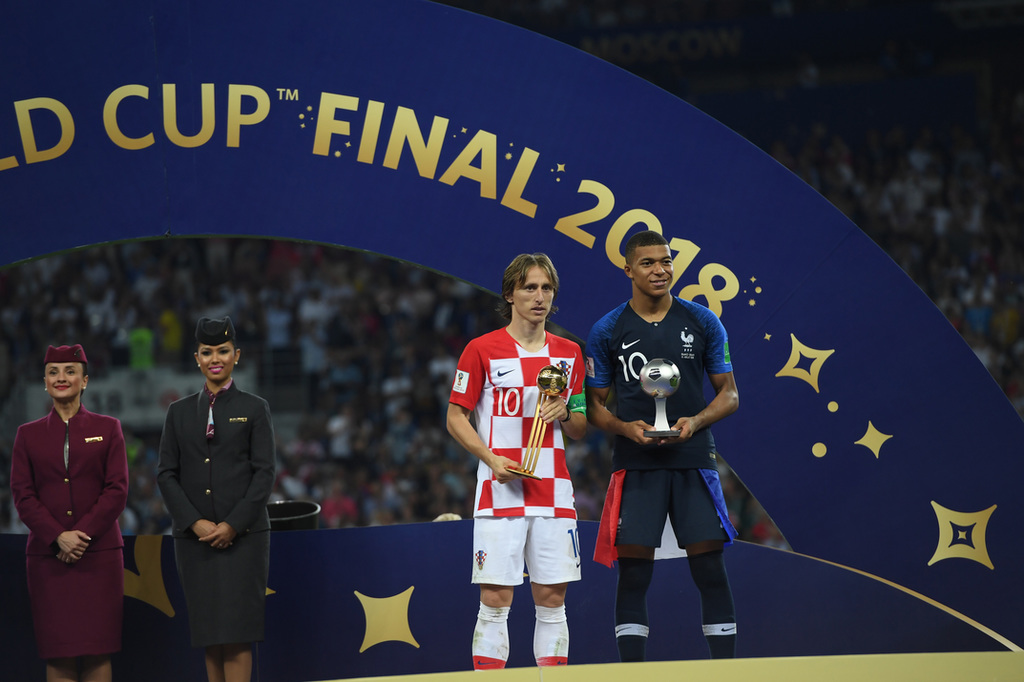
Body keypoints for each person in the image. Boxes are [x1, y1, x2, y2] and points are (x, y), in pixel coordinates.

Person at [585, 231, 740, 661]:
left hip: (693, 459)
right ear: (628, 270)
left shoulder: (703, 321)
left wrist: (696, 421)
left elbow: (730, 394)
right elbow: (593, 406)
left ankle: (726, 672)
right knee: (634, 574)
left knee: (710, 569)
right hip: (636, 462)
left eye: (666, 261)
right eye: (648, 263)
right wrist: (624, 427)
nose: (660, 270)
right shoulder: (607, 329)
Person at [446, 253, 588, 669]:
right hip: (499, 490)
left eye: (546, 288)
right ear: (509, 294)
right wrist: (490, 459)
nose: (539, 297)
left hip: (553, 492)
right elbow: (455, 417)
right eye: (529, 288)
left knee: (552, 600)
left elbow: (580, 427)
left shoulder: (570, 354)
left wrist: (566, 412)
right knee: (494, 599)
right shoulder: (481, 350)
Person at [157, 317, 276, 682]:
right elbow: (166, 474)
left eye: (223, 351)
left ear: (236, 355)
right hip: (195, 541)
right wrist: (195, 523)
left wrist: (232, 525)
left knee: (237, 634)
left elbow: (264, 474)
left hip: (244, 538)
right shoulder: (177, 412)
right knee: (209, 634)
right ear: (197, 358)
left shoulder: (255, 408)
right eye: (207, 352)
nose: (215, 359)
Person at [10, 344, 129, 682]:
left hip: (99, 556)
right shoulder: (27, 434)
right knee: (58, 653)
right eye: (53, 372)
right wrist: (57, 537)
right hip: (49, 560)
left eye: (70, 371)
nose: (61, 377)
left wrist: (79, 536)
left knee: (97, 650)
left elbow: (117, 490)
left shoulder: (109, 427)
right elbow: (23, 495)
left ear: (85, 380)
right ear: (45, 382)